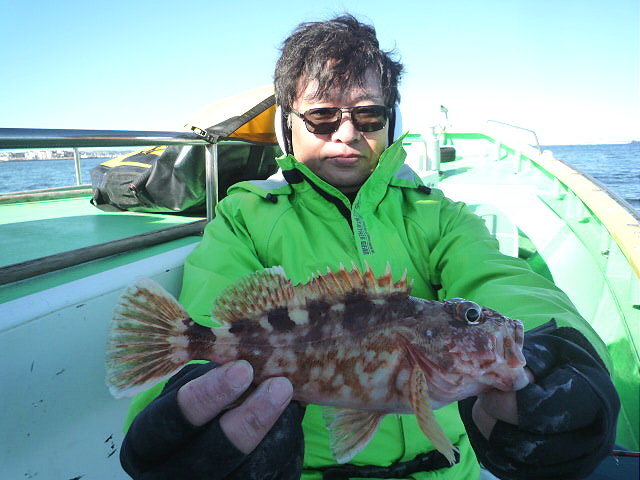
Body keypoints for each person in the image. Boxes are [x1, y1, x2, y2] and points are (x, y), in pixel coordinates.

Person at [119, 14, 620, 480]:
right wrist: (182, 404)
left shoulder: (439, 214)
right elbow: (212, 304)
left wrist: (561, 348)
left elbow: (497, 277)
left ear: (390, 121)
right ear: (287, 124)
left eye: (368, 115)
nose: (346, 133)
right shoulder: (245, 217)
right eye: (322, 117)